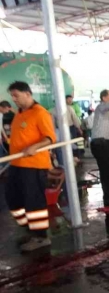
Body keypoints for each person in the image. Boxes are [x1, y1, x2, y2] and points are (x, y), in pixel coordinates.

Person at [4, 82, 57, 251]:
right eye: (12, 96)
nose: (14, 99)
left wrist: (34, 147)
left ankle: (41, 237)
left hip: (33, 165)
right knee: (12, 198)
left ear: (27, 93)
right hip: (16, 164)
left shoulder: (40, 113)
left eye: (16, 95)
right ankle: (30, 229)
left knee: (34, 201)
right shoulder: (19, 114)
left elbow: (50, 138)